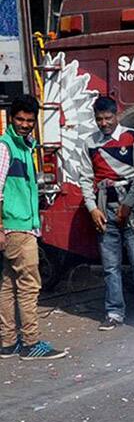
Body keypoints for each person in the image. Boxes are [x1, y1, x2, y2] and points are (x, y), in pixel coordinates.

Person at [78, 96, 134, 331]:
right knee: (110, 266)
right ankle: (114, 312)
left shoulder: (133, 137)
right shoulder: (89, 143)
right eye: (99, 119)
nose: (104, 123)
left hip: (131, 209)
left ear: (117, 114)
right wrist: (92, 209)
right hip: (104, 208)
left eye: (108, 118)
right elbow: (85, 178)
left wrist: (129, 204)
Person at [0, 96, 67, 360]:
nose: (25, 124)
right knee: (29, 285)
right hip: (17, 227)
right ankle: (30, 342)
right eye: (20, 119)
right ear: (11, 119)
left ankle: (7, 342)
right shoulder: (6, 148)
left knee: (8, 284)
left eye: (29, 120)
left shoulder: (25, 148)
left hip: (20, 226)